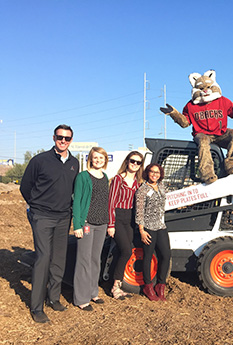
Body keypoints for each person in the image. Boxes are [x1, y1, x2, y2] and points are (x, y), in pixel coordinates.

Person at [20, 124, 79, 323]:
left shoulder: (74, 163)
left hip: (63, 217)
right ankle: (36, 307)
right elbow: (25, 186)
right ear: (53, 138)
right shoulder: (40, 160)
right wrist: (36, 207)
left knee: (58, 260)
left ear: (71, 140)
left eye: (67, 138)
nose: (63, 141)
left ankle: (53, 298)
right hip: (42, 216)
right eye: (60, 137)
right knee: (43, 258)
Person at [72, 147, 110, 311]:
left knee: (95, 259)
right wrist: (78, 225)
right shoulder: (83, 177)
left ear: (105, 160)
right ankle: (81, 298)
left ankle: (93, 292)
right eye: (95, 158)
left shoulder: (105, 177)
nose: (98, 160)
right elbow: (77, 201)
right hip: (87, 223)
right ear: (91, 159)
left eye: (101, 158)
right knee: (83, 260)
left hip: (102, 223)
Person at [108, 151, 144, 299]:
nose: (134, 164)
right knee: (127, 250)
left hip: (130, 218)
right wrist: (111, 224)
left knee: (122, 251)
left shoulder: (138, 182)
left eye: (138, 162)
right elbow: (110, 203)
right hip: (118, 217)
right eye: (132, 161)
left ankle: (118, 283)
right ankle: (115, 287)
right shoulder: (118, 179)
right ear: (127, 161)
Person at [135, 164, 171, 301]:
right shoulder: (142, 190)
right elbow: (139, 212)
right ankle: (148, 286)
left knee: (166, 255)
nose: (154, 174)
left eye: (157, 172)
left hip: (161, 226)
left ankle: (160, 286)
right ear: (147, 173)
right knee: (148, 257)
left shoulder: (162, 186)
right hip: (148, 227)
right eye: (152, 172)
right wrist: (141, 230)